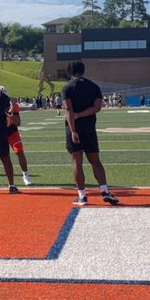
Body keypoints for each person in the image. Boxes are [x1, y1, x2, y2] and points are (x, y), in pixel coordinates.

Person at [62, 61, 119, 206]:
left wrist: (73, 130)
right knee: (95, 160)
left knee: (77, 161)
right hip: (89, 127)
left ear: (71, 71)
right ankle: (105, 190)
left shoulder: (68, 87)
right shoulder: (93, 86)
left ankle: (82, 195)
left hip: (74, 127)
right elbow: (97, 107)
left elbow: (68, 110)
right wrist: (82, 115)